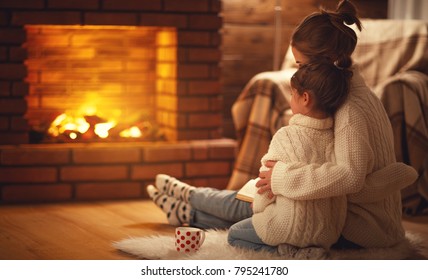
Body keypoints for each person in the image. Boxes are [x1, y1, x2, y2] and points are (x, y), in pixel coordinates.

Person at [146, 0, 418, 252]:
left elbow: (351, 176)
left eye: (301, 63)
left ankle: (191, 202)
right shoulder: (352, 92)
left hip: (361, 226)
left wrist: (283, 178)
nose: (298, 72)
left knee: (259, 205)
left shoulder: (351, 109)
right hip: (342, 207)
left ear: (322, 62)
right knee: (258, 196)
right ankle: (190, 203)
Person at [226, 61, 352, 253]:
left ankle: (287, 251)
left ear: (305, 98)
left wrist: (258, 207)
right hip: (327, 233)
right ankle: (309, 250)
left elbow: (265, 186)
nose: (290, 100)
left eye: (292, 94)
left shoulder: (286, 136)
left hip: (287, 227)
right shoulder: (338, 138)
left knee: (234, 234)